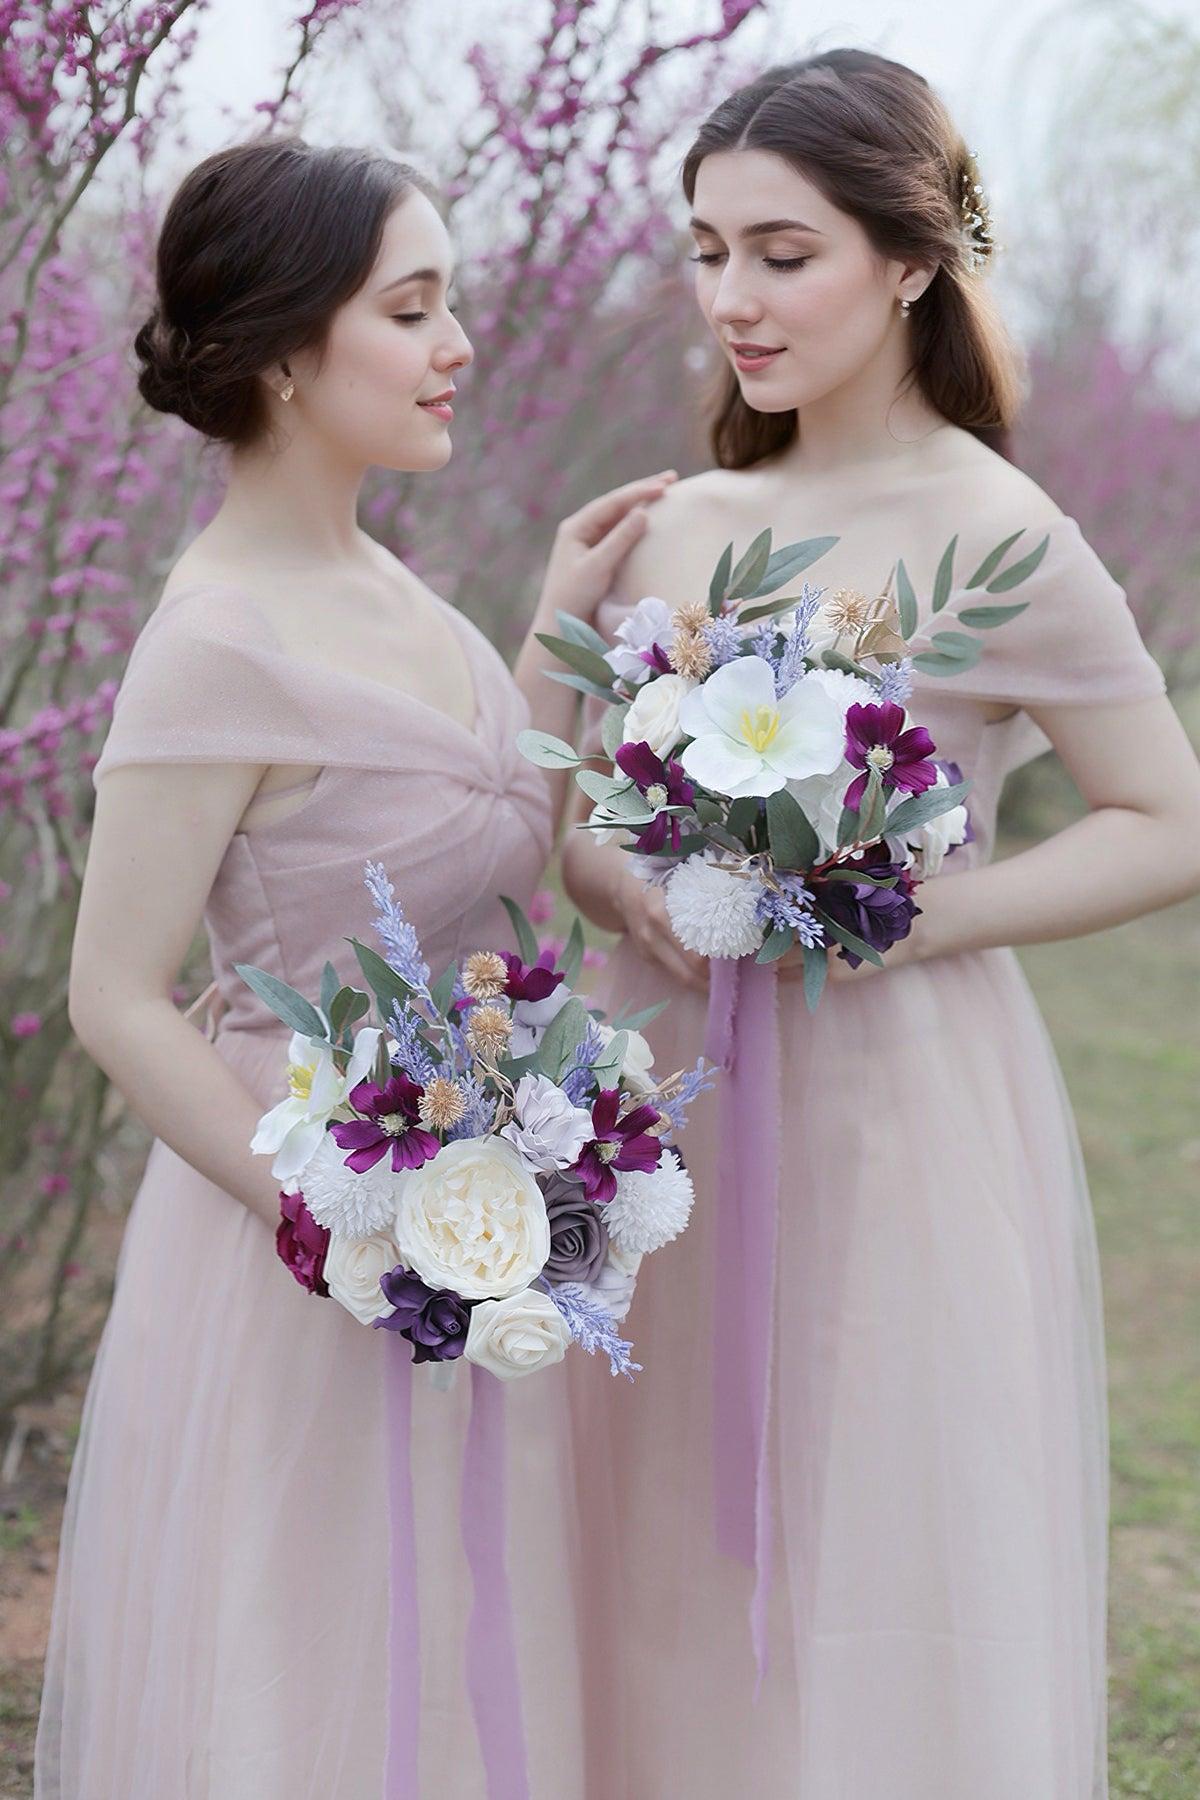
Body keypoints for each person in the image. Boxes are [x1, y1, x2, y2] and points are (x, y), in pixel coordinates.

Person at [561, 49, 1200, 1800]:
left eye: (783, 253)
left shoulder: (1005, 534)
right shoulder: (674, 524)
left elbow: (1170, 822)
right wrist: (634, 884)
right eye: (707, 253)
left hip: (898, 1099)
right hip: (659, 1095)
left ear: (909, 260)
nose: (731, 301)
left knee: (876, 1529)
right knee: (661, 1531)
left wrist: (899, 919)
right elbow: (580, 831)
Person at [34, 136, 674, 1799]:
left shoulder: (393, 582)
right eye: (415, 307)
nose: (460, 342)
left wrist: (550, 620)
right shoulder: (216, 643)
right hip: (299, 1245)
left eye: (450, 301)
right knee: (316, 1673)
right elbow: (115, 994)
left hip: (468, 1226)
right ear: (282, 352)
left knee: (455, 1654)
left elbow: (489, 837)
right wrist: (326, 1215)